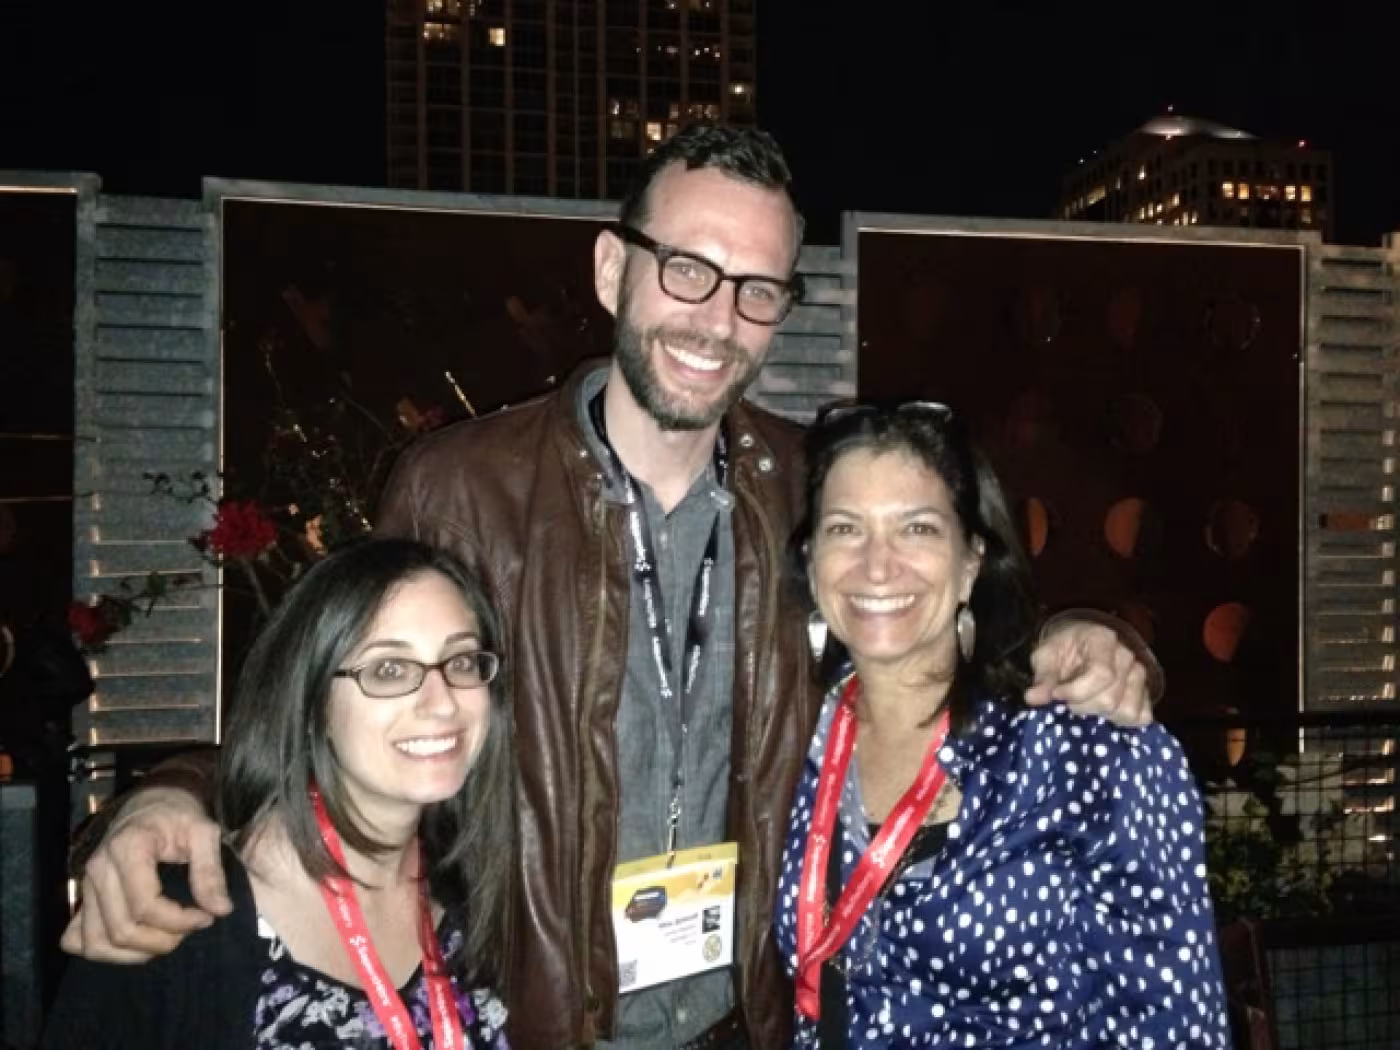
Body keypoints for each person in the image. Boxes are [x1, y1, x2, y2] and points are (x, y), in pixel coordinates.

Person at [62, 124, 1161, 1049]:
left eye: (757, 289)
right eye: (686, 268)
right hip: (531, 1015)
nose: (716, 316)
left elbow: (943, 622)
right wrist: (175, 793)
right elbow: (338, 708)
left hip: (754, 1018)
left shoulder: (806, 490)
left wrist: (1092, 633)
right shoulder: (460, 487)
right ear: (610, 270)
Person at [774, 401, 1228, 1048]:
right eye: (846, 529)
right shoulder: (794, 742)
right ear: (811, 557)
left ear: (971, 561)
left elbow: (1178, 1029)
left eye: (918, 529)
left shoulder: (1087, 752)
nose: (877, 566)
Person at [44, 538, 512, 1048]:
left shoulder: (471, 881)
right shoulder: (174, 916)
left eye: (462, 661)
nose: (443, 703)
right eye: (389, 670)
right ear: (312, 702)